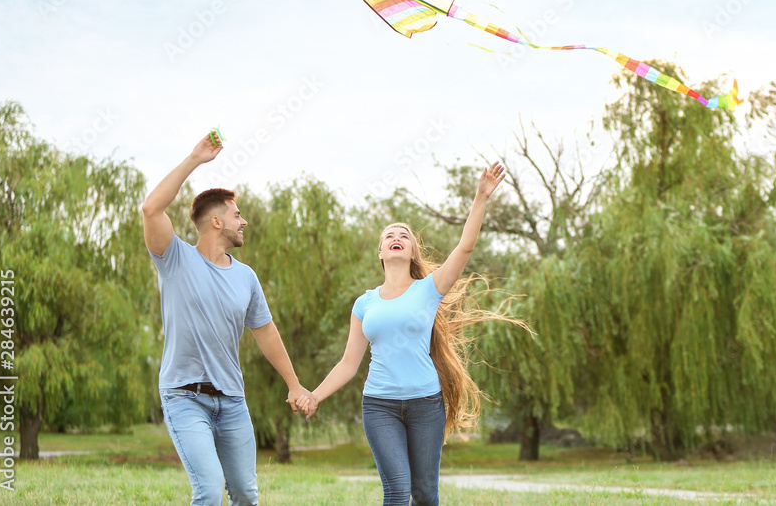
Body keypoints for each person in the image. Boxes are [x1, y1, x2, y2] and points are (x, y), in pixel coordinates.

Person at [297, 161, 514, 506]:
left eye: (404, 236)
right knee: (397, 491)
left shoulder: (429, 289)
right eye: (389, 236)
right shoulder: (364, 303)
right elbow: (348, 364)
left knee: (425, 495)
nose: (396, 238)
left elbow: (465, 247)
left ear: (411, 251)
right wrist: (315, 395)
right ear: (381, 252)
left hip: (426, 404)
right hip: (379, 405)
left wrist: (481, 197)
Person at [142, 130, 312, 506]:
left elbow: (266, 333)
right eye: (237, 215)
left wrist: (294, 384)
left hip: (232, 400)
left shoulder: (246, 276)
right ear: (217, 222)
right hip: (184, 396)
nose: (244, 221)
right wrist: (194, 159)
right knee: (208, 490)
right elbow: (151, 208)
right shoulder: (175, 259)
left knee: (246, 495)